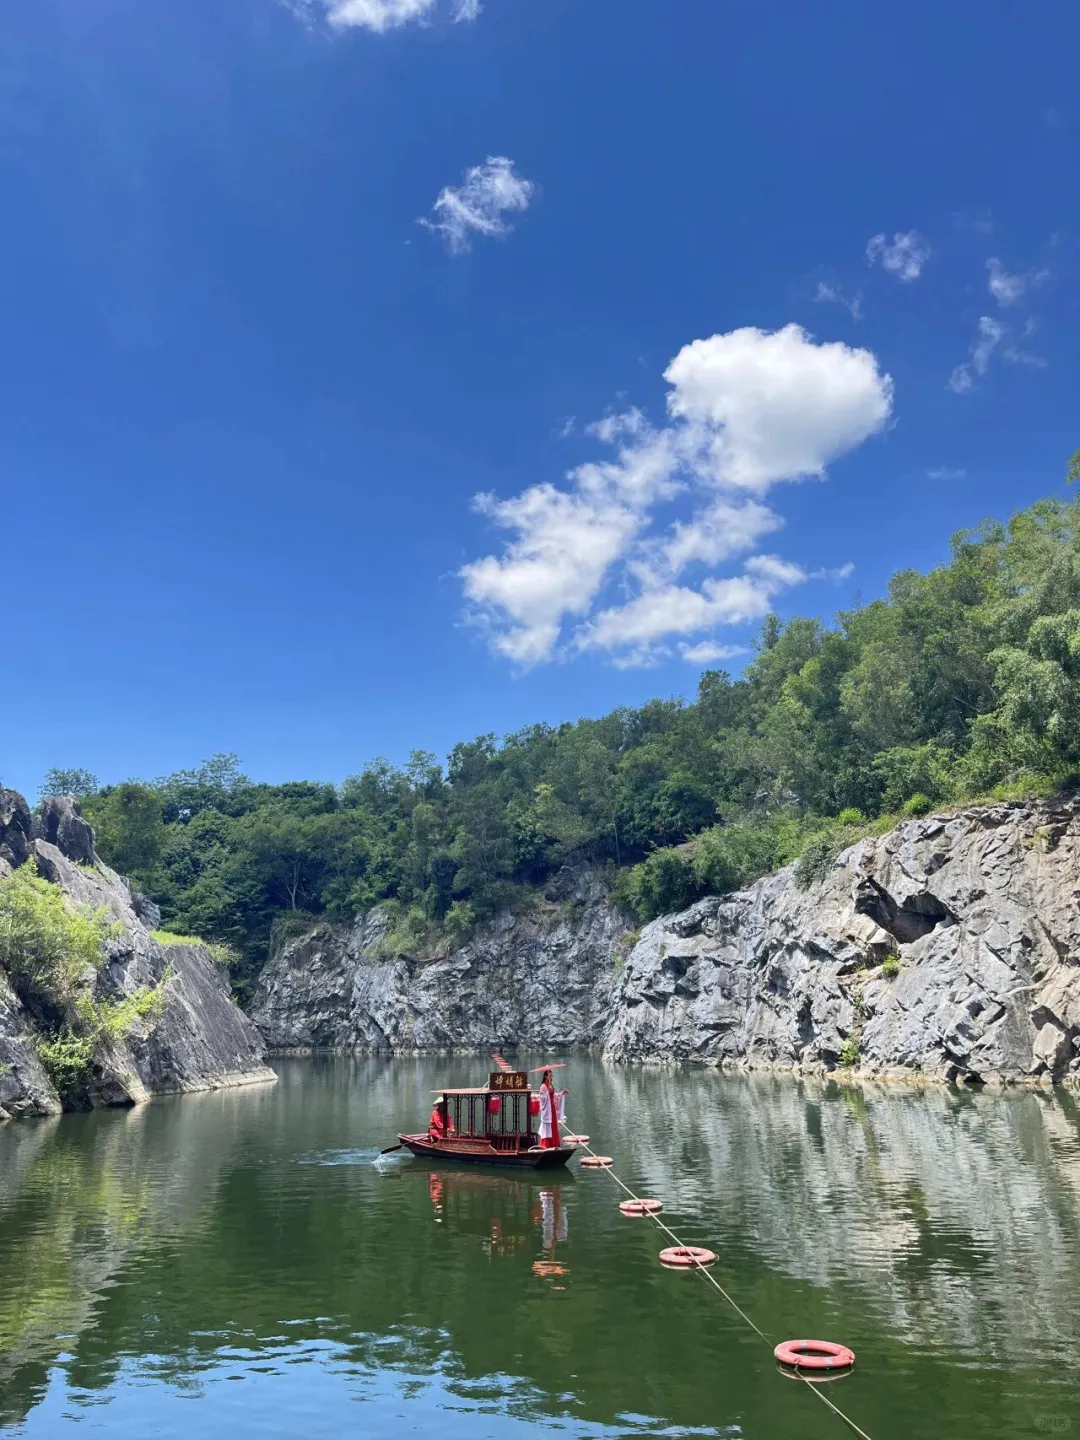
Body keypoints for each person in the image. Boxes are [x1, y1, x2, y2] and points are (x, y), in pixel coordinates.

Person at [537, 1069, 568, 1149]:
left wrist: (562, 1093)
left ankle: (555, 1145)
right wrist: (548, 1093)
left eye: (552, 1076)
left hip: (552, 1110)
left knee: (554, 1127)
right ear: (545, 1076)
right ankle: (547, 1146)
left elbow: (555, 1096)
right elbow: (542, 1099)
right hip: (547, 1111)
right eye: (550, 1076)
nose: (551, 1078)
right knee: (548, 1128)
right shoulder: (543, 1086)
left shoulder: (550, 1086)